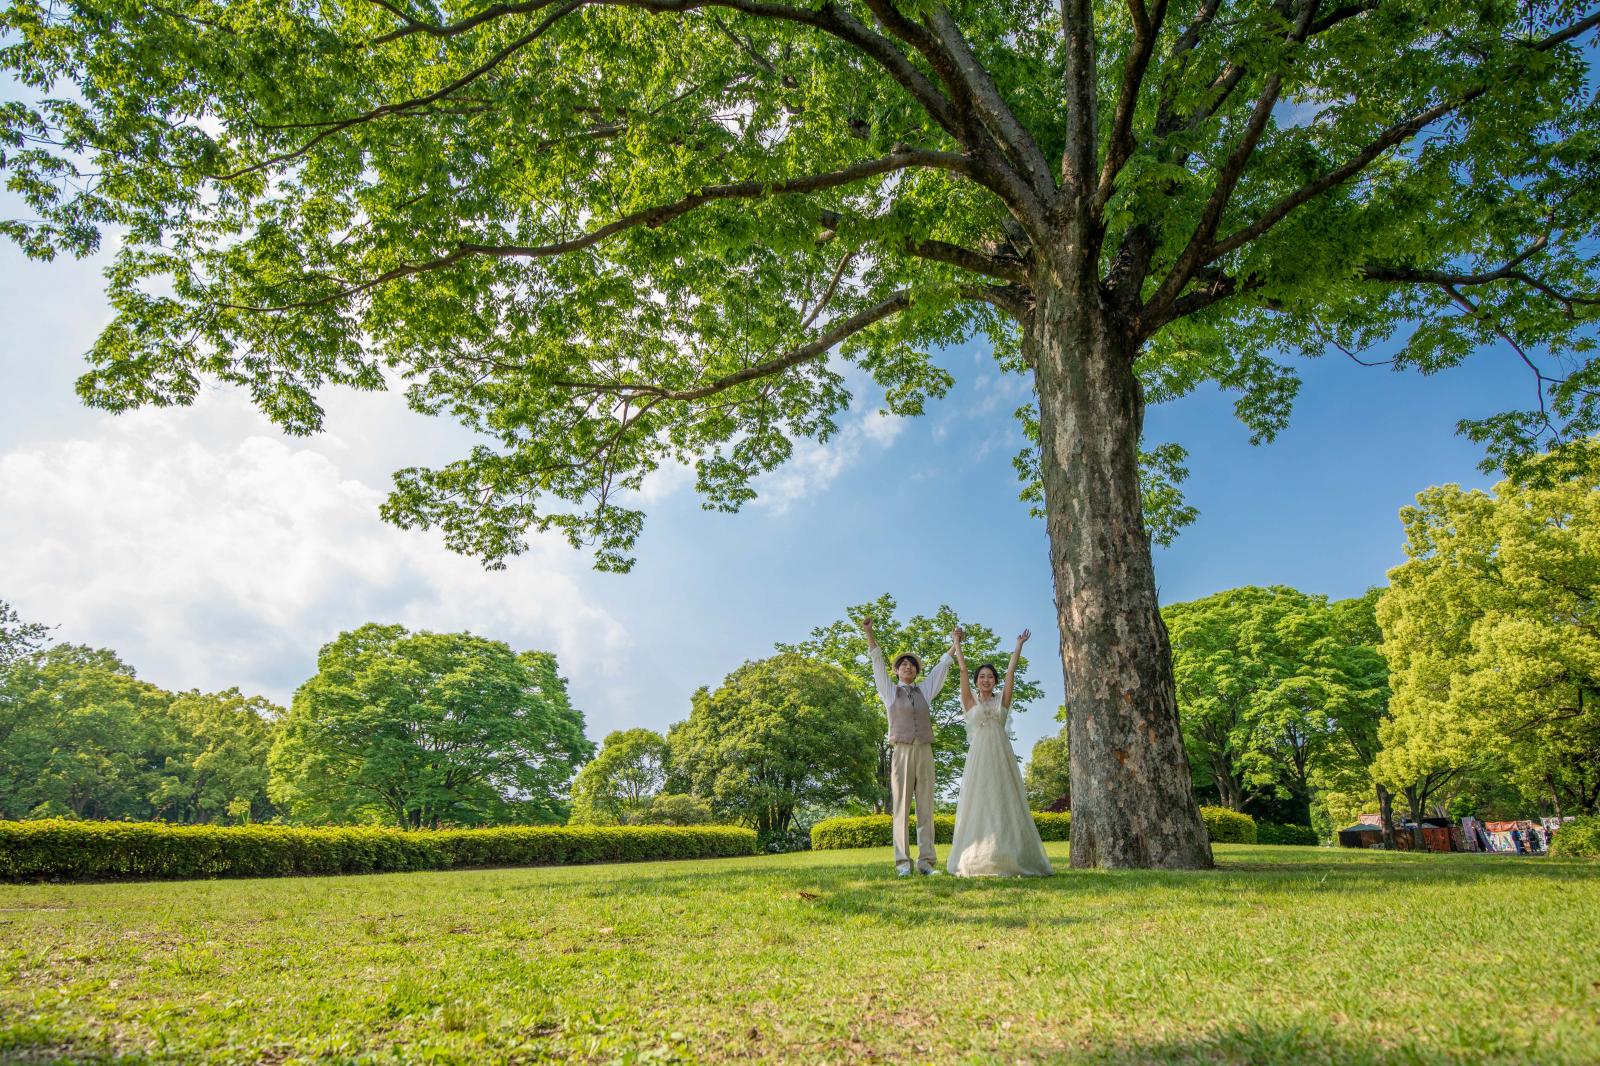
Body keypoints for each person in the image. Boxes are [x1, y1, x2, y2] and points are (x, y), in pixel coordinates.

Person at [946, 628, 1052, 877]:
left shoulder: (1002, 701)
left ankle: (1012, 854)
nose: (986, 680)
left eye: (990, 677)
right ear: (976, 681)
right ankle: (977, 855)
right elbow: (962, 670)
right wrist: (956, 643)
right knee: (981, 801)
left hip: (1002, 756)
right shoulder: (970, 701)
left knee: (1005, 801)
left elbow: (1010, 672)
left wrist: (1018, 646)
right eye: (982, 676)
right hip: (979, 758)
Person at [862, 615, 958, 876]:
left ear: (916, 671)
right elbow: (877, 662)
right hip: (901, 751)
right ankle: (903, 863)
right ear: (897, 671)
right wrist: (869, 633)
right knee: (902, 810)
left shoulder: (925, 691)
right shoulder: (889, 691)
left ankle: (926, 862)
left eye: (911, 665)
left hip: (924, 751)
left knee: (926, 808)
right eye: (903, 664)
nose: (907, 667)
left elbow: (942, 667)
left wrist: (955, 643)